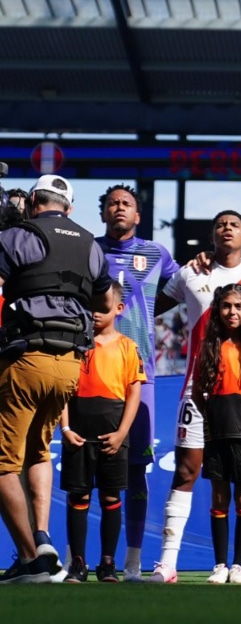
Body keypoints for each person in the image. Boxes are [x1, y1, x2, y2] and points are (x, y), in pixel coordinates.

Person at [148, 210, 241, 584]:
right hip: (199, 394)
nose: (226, 229)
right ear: (211, 237)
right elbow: (148, 304)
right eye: (220, 225)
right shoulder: (191, 272)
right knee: (186, 471)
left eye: (234, 225)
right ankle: (168, 563)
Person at [0, 174, 112, 583]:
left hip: (26, 356)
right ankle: (43, 537)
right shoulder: (91, 243)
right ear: (70, 207)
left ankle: (33, 560)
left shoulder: (18, 235)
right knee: (38, 451)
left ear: (32, 201)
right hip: (70, 365)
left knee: (1, 462)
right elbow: (103, 299)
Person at [94, 184, 181, 581]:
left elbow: (183, 287)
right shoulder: (89, 251)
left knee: (135, 468)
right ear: (103, 213)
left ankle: (131, 559)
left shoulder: (156, 254)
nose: (118, 209)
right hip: (91, 367)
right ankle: (80, 558)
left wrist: (145, 313)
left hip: (139, 373)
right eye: (112, 204)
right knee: (87, 466)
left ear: (137, 215)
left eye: (125, 204)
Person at [60, 282, 145, 583]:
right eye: (91, 305)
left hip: (113, 432)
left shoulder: (127, 347)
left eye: (103, 306)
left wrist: (122, 432)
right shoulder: (75, 344)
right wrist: (66, 428)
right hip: (79, 432)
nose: (95, 312)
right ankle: (77, 564)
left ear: (119, 309)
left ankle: (107, 564)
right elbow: (64, 391)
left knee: (111, 497)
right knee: (78, 494)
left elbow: (133, 394)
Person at [191, 284, 241, 584]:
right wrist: (213, 417)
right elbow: (199, 392)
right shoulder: (208, 346)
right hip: (216, 432)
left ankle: (239, 565)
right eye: (226, 306)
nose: (232, 312)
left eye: (238, 306)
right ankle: (220, 564)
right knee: (219, 497)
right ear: (218, 310)